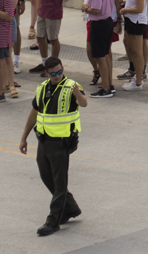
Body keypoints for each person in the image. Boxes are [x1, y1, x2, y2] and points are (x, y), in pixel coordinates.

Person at [19, 54, 88, 237]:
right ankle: (70, 207)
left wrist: (78, 95)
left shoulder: (71, 87)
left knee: (59, 183)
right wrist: (24, 137)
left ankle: (53, 221)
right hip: (44, 140)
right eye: (53, 73)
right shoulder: (42, 89)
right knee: (45, 176)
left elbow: (84, 103)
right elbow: (34, 114)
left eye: (60, 71)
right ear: (46, 73)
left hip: (61, 142)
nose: (57, 76)